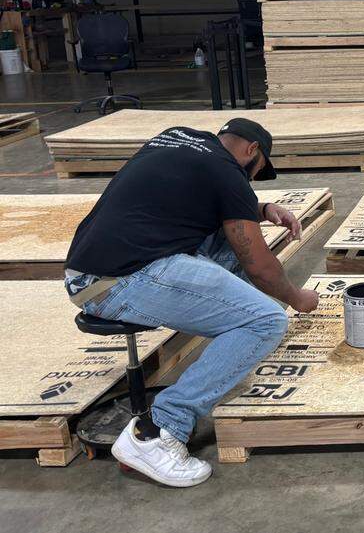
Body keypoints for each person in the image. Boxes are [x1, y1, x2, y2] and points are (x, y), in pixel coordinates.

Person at [64, 118, 319, 488]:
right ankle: (157, 434)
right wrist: (298, 298)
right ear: (252, 151)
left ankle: (240, 331)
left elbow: (182, 200)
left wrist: (259, 209)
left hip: (89, 268)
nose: (250, 180)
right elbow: (259, 266)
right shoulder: (228, 173)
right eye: (257, 171)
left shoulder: (175, 139)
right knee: (265, 320)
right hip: (117, 283)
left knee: (229, 247)